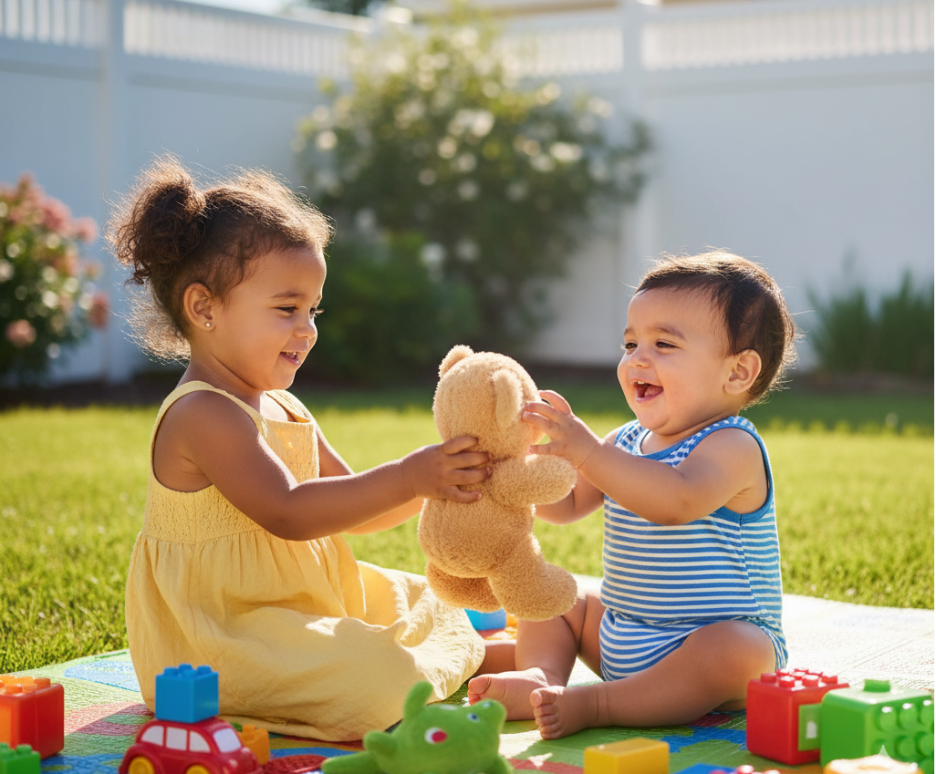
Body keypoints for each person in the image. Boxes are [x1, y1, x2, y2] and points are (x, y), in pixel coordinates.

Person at [110, 157, 512, 742]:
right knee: (377, 672)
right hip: (225, 636)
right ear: (204, 308)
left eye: (312, 310)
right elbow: (290, 511)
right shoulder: (204, 413)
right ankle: (441, 684)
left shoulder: (286, 407)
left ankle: (469, 670)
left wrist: (446, 477)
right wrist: (410, 475)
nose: (308, 329)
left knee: (430, 597)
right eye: (286, 308)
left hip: (305, 607)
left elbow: (364, 513)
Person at [468, 251, 797, 739]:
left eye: (663, 343)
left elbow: (676, 501)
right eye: (629, 343)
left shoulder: (733, 445)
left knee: (738, 647)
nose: (637, 358)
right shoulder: (622, 442)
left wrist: (586, 452)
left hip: (710, 650)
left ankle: (597, 704)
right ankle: (541, 677)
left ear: (737, 373)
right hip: (622, 634)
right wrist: (515, 468)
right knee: (562, 596)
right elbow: (568, 505)